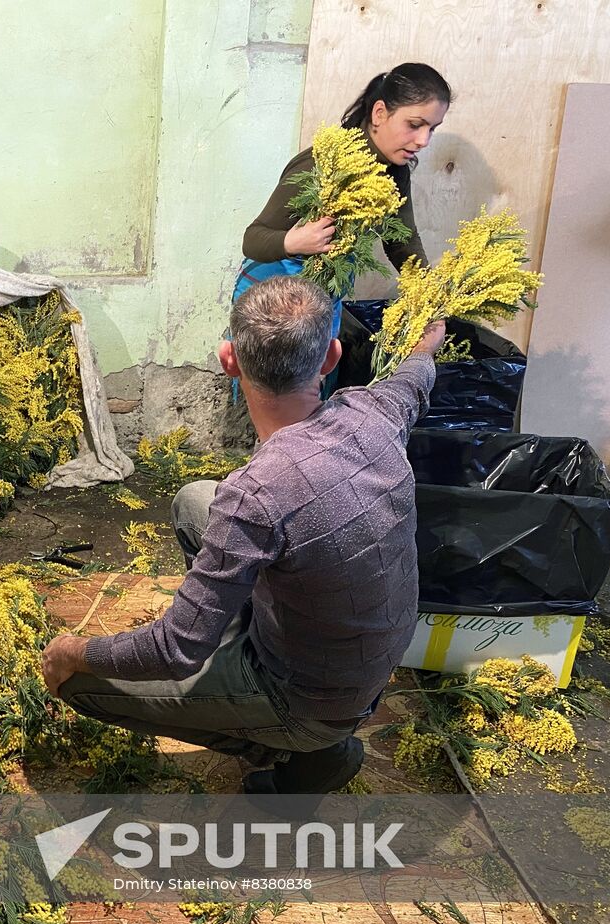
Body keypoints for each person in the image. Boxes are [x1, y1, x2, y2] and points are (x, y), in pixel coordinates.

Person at [40, 276, 447, 795]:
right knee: (194, 502)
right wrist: (425, 344)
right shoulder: (373, 411)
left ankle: (300, 752)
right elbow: (415, 378)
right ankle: (269, 692)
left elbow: (173, 651)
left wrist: (76, 650)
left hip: (314, 701)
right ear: (330, 358)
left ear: (228, 360)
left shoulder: (256, 495)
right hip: (368, 659)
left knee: (82, 683)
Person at [234, 62, 452, 391]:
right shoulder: (323, 163)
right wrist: (296, 242)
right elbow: (253, 239)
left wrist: (427, 295)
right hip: (272, 308)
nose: (423, 140)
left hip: (320, 304)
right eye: (415, 124)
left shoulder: (394, 170)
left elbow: (401, 242)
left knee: (311, 401)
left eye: (432, 129)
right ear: (379, 113)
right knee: (276, 405)